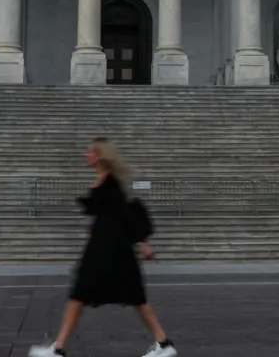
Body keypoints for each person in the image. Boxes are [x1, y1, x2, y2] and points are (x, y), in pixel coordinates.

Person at [30, 138, 177, 357]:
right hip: (103, 246)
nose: (85, 155)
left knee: (123, 296)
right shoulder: (102, 180)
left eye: (89, 152)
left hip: (111, 249)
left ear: (99, 155)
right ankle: (163, 343)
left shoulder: (111, 183)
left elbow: (125, 214)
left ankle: (58, 349)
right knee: (92, 295)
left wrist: (143, 243)